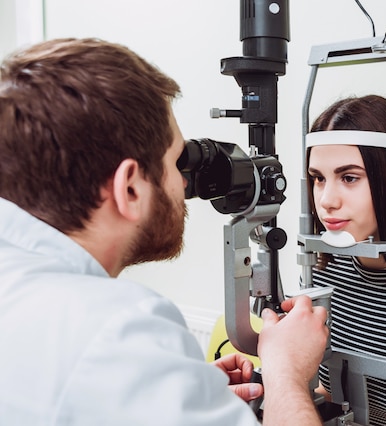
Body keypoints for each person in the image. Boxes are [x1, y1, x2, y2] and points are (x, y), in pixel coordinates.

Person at [0, 37, 328, 425]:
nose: (185, 186)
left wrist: (184, 393)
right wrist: (286, 373)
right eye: (176, 163)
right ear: (130, 188)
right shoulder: (121, 330)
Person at [305, 95, 386, 425]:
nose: (327, 200)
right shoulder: (325, 270)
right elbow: (328, 394)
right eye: (318, 178)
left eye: (349, 177)